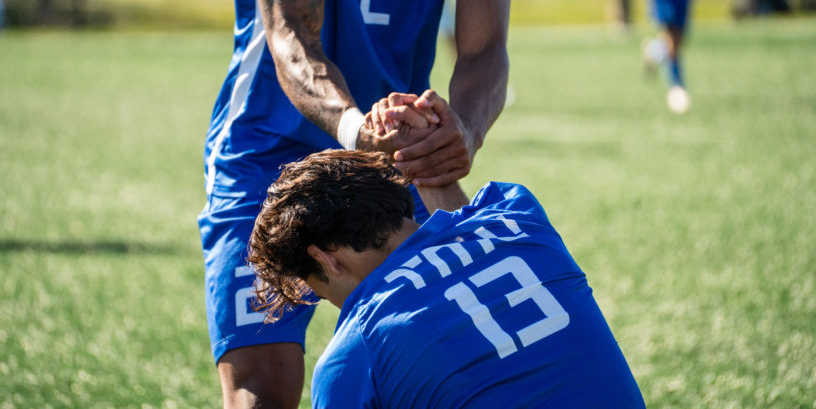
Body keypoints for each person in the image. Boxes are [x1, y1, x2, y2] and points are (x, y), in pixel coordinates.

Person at [197, 0, 520, 406]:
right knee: (264, 384)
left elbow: (485, 50)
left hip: (393, 154)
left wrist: (462, 131)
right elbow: (291, 36)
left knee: (460, 357)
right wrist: (353, 129)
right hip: (266, 149)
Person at [247, 148, 646, 409]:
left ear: (326, 259)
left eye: (321, 291)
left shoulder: (356, 350)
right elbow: (460, 217)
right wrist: (421, 142)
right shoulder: (517, 216)